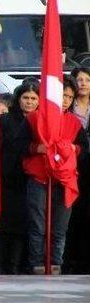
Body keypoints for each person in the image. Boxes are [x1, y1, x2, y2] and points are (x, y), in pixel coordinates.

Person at [17, 75, 89, 275]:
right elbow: (19, 145)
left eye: (69, 96)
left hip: (64, 180)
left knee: (59, 228)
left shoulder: (74, 123)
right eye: (62, 95)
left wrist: (72, 149)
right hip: (39, 178)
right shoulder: (35, 118)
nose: (65, 100)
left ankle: (56, 263)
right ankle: (37, 263)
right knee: (37, 225)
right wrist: (36, 147)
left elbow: (84, 148)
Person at [0, 82, 38, 274]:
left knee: (28, 227)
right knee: (8, 227)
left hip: (32, 180)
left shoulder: (42, 120)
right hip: (8, 180)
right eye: (25, 98)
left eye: (33, 99)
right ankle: (5, 267)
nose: (29, 102)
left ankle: (22, 266)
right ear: (18, 99)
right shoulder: (5, 120)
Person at [67, 66, 90, 273]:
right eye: (79, 80)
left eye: (87, 80)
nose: (83, 83)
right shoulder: (67, 108)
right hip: (70, 167)